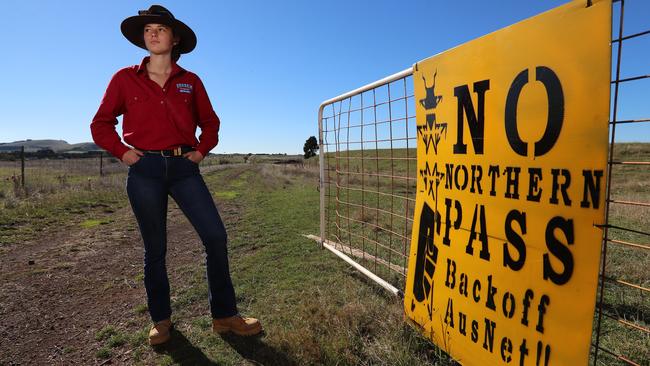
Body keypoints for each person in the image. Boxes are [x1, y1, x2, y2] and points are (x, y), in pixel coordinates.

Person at [90, 5, 262, 345]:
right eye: (148, 29)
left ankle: (225, 316)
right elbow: (100, 124)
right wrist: (123, 152)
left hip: (184, 168)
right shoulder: (124, 78)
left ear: (175, 38)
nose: (153, 33)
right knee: (155, 249)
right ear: (143, 38)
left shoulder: (191, 81)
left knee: (215, 237)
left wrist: (200, 151)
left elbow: (211, 123)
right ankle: (162, 321)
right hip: (145, 170)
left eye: (161, 29)